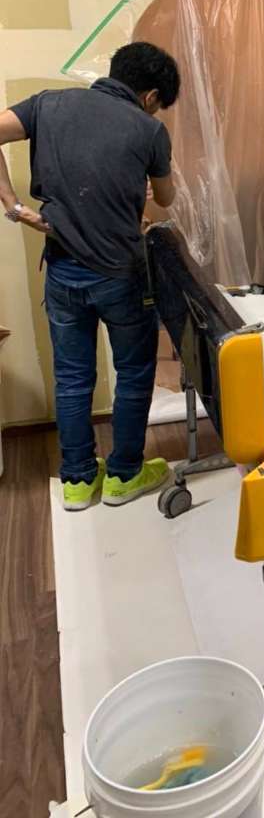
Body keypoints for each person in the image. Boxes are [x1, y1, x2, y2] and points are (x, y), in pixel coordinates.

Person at [0, 41, 180, 511]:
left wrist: (14, 207)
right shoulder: (149, 129)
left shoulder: (47, 104)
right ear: (151, 96)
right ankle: (124, 475)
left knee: (73, 378)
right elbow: (166, 199)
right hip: (121, 276)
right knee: (134, 374)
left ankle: (78, 482)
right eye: (157, 104)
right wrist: (147, 180)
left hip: (63, 272)